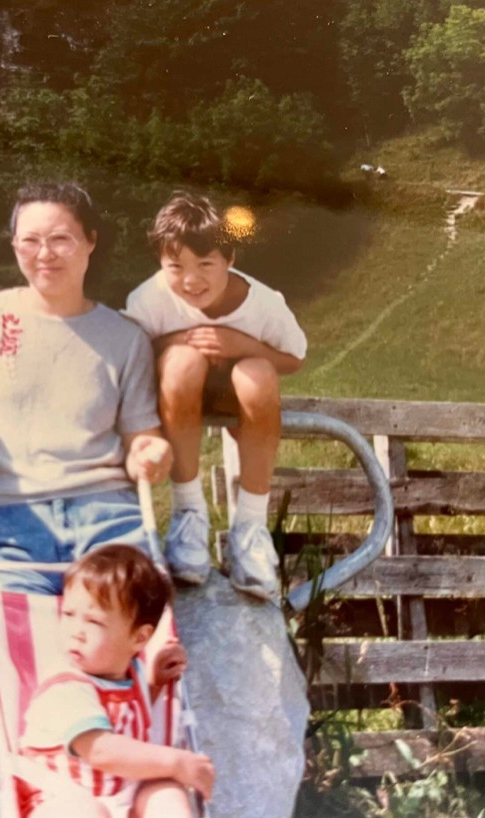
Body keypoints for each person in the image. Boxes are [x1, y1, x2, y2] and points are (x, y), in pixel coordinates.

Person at [0, 182, 172, 812]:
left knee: (151, 660)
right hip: (9, 522)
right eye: (30, 240)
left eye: (61, 237)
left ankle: (147, 796)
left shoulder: (124, 337)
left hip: (105, 519)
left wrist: (149, 451)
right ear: (13, 247)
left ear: (90, 242)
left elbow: (141, 433)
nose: (45, 253)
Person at [124, 191, 307, 599]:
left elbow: (294, 358)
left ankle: (251, 530)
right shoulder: (148, 299)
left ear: (230, 259)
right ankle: (189, 516)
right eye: (176, 266)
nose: (191, 280)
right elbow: (130, 353)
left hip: (240, 397)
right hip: (178, 395)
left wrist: (239, 343)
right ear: (160, 263)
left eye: (206, 264)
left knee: (258, 372)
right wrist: (178, 340)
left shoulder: (262, 302)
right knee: (182, 361)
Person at [17, 546, 215, 818]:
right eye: (69, 614)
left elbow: (127, 718)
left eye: (94, 622)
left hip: (121, 793)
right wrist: (176, 762)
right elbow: (101, 750)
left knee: (167, 795)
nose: (76, 632)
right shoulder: (66, 685)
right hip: (61, 798)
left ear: (139, 638)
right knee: (83, 812)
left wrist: (154, 683)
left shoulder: (130, 673)